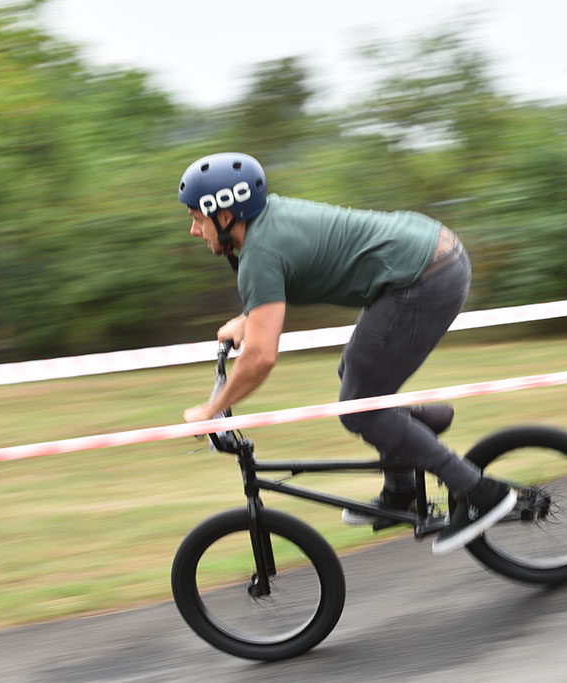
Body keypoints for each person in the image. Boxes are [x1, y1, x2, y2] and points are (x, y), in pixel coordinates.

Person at [178, 152, 516, 555]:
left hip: (424, 278)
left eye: (198, 218)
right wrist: (248, 319)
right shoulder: (267, 223)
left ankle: (480, 492)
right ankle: (403, 485)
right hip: (429, 254)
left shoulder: (259, 254)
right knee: (356, 375)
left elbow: (262, 358)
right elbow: (276, 287)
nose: (194, 230)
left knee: (360, 408)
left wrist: (212, 409)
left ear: (226, 215)